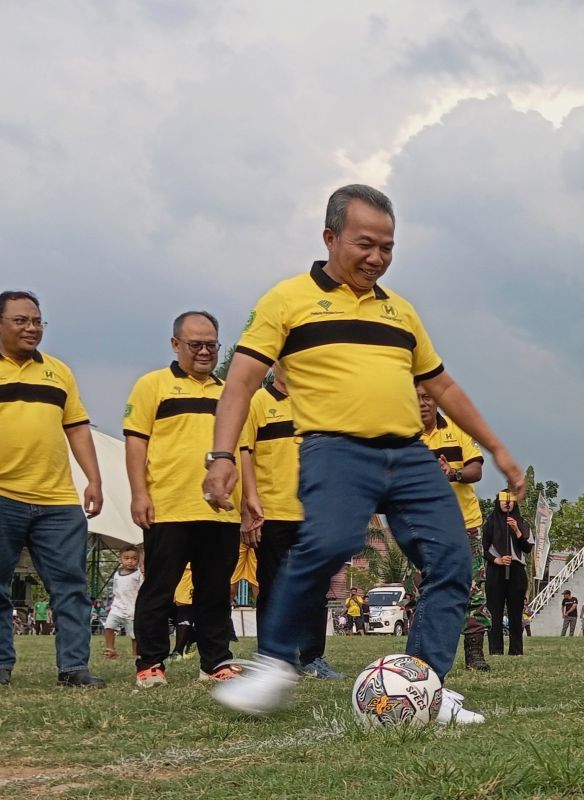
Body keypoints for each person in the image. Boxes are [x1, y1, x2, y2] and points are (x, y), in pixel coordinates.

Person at [204, 184, 523, 722]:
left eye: (388, 247)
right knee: (329, 543)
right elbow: (239, 382)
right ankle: (276, 663)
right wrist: (221, 457)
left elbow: (442, 387)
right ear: (330, 237)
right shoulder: (286, 301)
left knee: (451, 562)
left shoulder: (400, 312)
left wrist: (497, 448)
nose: (377, 257)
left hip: (410, 454)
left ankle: (424, 686)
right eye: (365, 244)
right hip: (337, 449)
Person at [0, 291, 105, 688]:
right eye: (20, 320)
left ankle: (74, 669)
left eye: (37, 321)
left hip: (57, 499)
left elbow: (77, 428)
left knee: (71, 585)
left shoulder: (58, 372)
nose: (31, 328)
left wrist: (94, 477)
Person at [125, 311, 243, 688]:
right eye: (196, 345)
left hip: (221, 511)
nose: (205, 352)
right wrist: (139, 494)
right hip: (169, 506)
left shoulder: (231, 392)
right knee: (160, 587)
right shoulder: (152, 386)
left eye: (212, 344)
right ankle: (151, 663)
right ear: (176, 344)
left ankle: (215, 662)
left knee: (214, 590)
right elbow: (135, 442)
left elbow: (244, 449)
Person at [240, 366, 343, 679]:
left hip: (313, 512)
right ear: (275, 365)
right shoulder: (256, 401)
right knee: (270, 588)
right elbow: (244, 453)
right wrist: (248, 505)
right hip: (271, 512)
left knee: (316, 587)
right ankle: (274, 659)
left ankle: (312, 657)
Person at [417, 384, 490, 671]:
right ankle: (423, 657)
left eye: (428, 397)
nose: (423, 403)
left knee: (472, 591)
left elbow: (477, 469)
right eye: (416, 397)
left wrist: (453, 472)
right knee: (424, 592)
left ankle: (474, 654)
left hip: (465, 525)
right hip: (423, 527)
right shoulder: (402, 435)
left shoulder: (457, 430)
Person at [483, 491, 532, 656]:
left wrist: (516, 530)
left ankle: (516, 650)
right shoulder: (490, 522)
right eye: (503, 500)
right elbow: (483, 547)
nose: (507, 504)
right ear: (498, 502)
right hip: (496, 569)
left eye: (510, 501)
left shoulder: (522, 523)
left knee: (515, 612)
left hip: (516, 570)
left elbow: (527, 548)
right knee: (495, 612)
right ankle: (495, 649)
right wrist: (496, 560)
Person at [103, 546, 143, 659]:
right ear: (120, 559)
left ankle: (136, 654)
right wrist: (111, 605)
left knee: (134, 635)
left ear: (138, 560)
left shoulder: (138, 575)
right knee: (109, 627)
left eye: (134, 558)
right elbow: (116, 591)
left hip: (132, 609)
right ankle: (110, 650)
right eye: (126, 558)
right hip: (117, 608)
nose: (130, 561)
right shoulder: (117, 574)